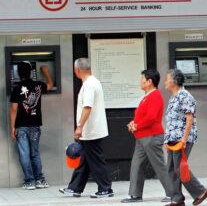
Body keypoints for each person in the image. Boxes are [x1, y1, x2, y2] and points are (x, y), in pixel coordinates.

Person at [60, 58, 113, 198]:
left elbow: (87, 107)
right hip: (90, 130)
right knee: (84, 160)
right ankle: (75, 187)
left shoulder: (89, 85)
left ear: (77, 70)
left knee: (96, 161)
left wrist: (79, 127)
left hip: (91, 130)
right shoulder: (93, 82)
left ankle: (106, 188)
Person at [122, 69, 173, 203]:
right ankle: (135, 194)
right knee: (136, 165)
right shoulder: (147, 96)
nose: (140, 82)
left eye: (142, 79)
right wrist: (133, 123)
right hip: (142, 137)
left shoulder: (155, 95)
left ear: (149, 81)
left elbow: (151, 117)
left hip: (152, 137)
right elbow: (143, 116)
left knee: (159, 165)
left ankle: (173, 193)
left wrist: (137, 126)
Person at [164, 68, 207, 206]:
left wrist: (184, 139)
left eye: (167, 79)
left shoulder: (184, 95)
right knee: (171, 168)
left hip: (182, 139)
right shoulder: (174, 97)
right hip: (172, 139)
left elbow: (189, 118)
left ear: (175, 81)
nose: (165, 82)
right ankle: (177, 199)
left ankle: (200, 191)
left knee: (179, 167)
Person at [9, 61, 53, 190]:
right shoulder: (38, 85)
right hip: (35, 126)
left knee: (24, 154)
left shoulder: (16, 89)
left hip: (21, 127)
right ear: (30, 72)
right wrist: (46, 72)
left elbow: (13, 109)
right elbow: (50, 85)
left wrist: (12, 127)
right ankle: (40, 180)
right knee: (34, 153)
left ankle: (29, 181)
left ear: (18, 73)